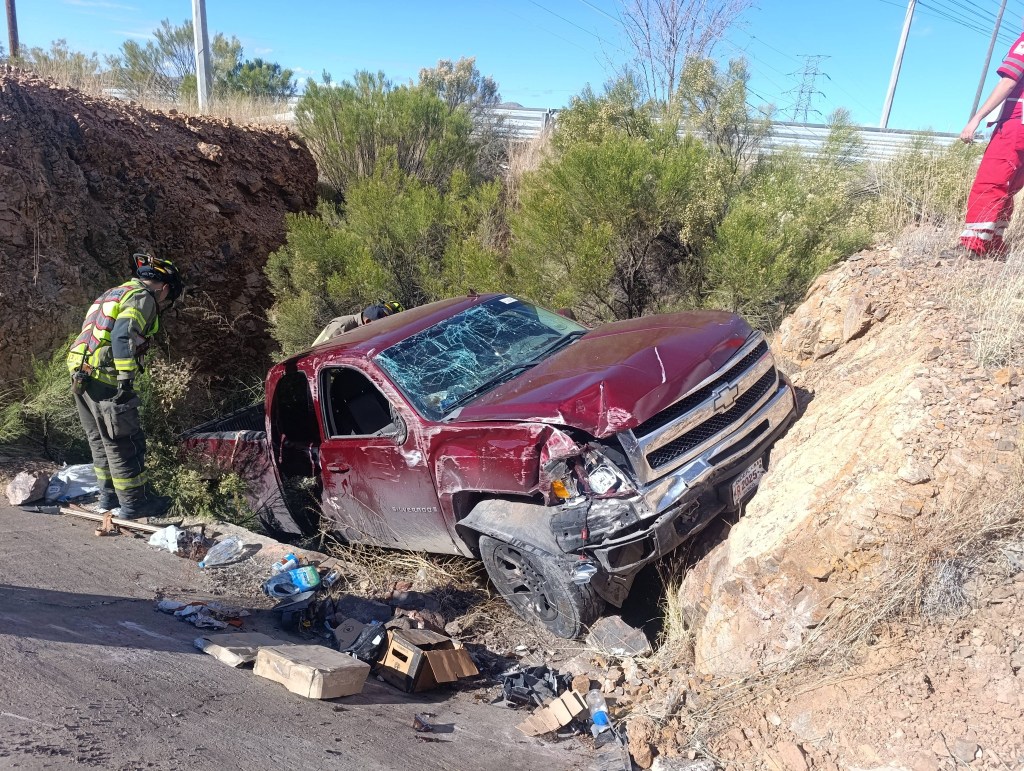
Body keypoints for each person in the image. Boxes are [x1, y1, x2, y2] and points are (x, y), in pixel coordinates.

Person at [67, 254, 183, 519]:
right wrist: (126, 380)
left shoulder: (112, 293)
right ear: (165, 287)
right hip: (106, 377)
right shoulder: (143, 297)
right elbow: (122, 335)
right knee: (124, 441)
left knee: (100, 440)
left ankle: (108, 498)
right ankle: (135, 504)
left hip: (81, 374)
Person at [960, 29, 1024, 257]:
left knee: (992, 180)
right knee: (1009, 186)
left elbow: (1008, 82)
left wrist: (976, 118)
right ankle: (994, 243)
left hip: (1016, 123)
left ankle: (973, 244)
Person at [312, 300, 404, 346]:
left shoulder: (366, 328)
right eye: (379, 326)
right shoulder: (341, 326)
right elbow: (321, 356)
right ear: (367, 322)